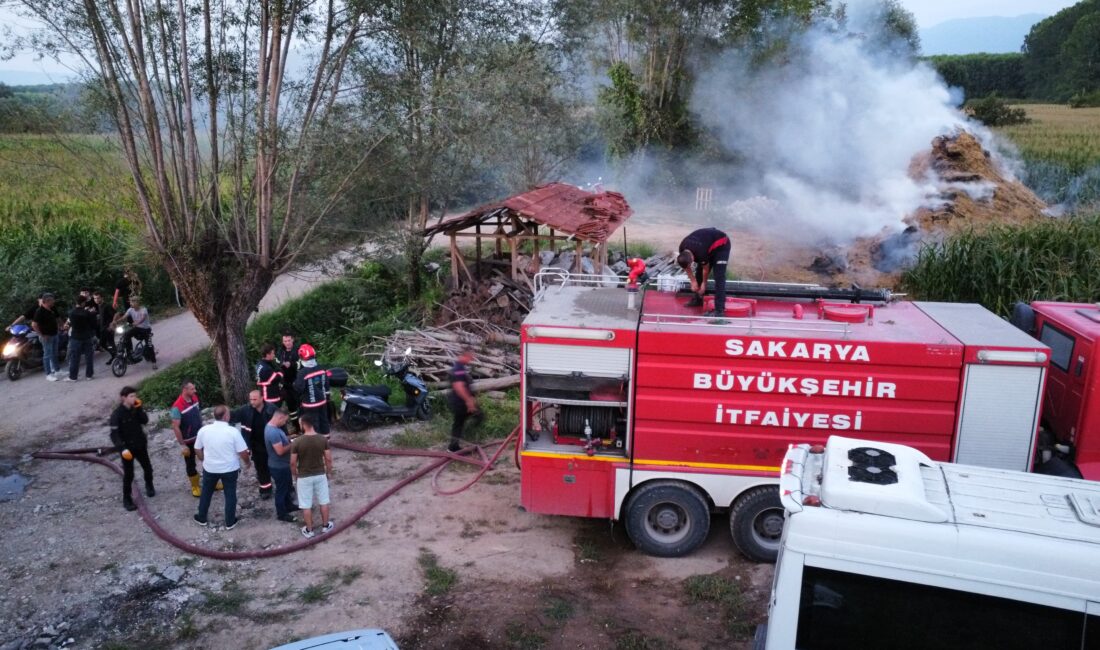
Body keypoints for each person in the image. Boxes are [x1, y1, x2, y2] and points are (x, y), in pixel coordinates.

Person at [193, 404, 251, 529]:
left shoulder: (204, 430)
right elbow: (243, 452)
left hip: (210, 468)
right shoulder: (233, 432)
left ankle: (202, 517)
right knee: (230, 494)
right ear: (225, 416)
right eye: (228, 413)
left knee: (206, 493)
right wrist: (247, 462)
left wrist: (203, 459)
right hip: (230, 469)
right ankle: (230, 521)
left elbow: (197, 448)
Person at [109, 386, 155, 511]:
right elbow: (114, 434)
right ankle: (127, 498)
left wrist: (140, 408)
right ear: (123, 398)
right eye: (131, 396)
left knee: (148, 467)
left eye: (135, 396)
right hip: (127, 449)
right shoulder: (117, 414)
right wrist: (122, 449)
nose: (134, 398)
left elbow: (144, 421)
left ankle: (149, 485)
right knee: (129, 474)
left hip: (140, 444)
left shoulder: (135, 409)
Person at [290, 412, 334, 538]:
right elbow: (328, 459)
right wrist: (328, 472)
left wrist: (295, 476)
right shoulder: (322, 439)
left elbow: (293, 463)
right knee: (324, 501)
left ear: (303, 425)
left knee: (306, 504)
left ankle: (309, 530)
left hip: (303, 477)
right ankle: (326, 526)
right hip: (320, 475)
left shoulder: (297, 442)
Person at [677, 227, 731, 317]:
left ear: (692, 259)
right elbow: (686, 266)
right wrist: (693, 281)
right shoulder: (682, 248)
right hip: (707, 244)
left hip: (722, 245)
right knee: (698, 273)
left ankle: (719, 310)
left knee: (719, 276)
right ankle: (699, 299)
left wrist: (703, 284)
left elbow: (705, 269)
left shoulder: (700, 253)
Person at [231, 390, 275, 499]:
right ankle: (265, 489)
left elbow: (281, 423)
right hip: (256, 444)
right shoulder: (245, 410)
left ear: (262, 398)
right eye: (250, 399)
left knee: (278, 466)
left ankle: (287, 488)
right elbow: (230, 416)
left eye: (254, 399)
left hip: (272, 443)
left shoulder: (271, 409)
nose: (252, 402)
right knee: (261, 467)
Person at [171, 380, 204, 496]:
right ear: (185, 390)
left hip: (200, 437)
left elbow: (198, 413)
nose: (195, 391)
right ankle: (195, 486)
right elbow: (176, 427)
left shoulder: (194, 398)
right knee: (190, 464)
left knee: (208, 459)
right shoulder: (177, 407)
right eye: (192, 389)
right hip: (188, 441)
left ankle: (212, 482)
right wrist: (182, 445)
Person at [264, 408, 296, 523]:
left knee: (287, 486)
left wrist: (290, 438)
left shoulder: (274, 429)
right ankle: (281, 514)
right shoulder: (273, 432)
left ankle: (289, 505)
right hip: (279, 466)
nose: (285, 423)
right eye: (285, 421)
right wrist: (293, 444)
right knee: (281, 490)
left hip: (283, 465)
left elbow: (281, 441)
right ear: (280, 417)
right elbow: (280, 451)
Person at [448, 348, 483, 452]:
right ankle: (460, 442)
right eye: (469, 357)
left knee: (459, 423)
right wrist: (468, 401)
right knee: (478, 416)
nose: (470, 359)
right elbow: (459, 387)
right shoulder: (458, 368)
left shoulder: (460, 367)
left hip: (460, 402)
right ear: (463, 356)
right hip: (461, 402)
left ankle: (453, 446)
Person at [293, 344, 331, 436]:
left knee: (314, 425)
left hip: (310, 405)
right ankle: (326, 443)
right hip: (322, 401)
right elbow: (326, 385)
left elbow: (299, 389)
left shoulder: (302, 372)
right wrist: (327, 398)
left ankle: (317, 447)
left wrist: (294, 383)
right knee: (324, 422)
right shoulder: (322, 368)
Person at [113, 295, 156, 369]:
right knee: (126, 335)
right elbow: (124, 317)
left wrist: (137, 322)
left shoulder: (143, 309)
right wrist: (116, 321)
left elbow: (143, 318)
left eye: (132, 302)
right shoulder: (130, 310)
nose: (131, 303)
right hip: (137, 328)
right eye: (130, 302)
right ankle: (130, 352)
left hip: (146, 330)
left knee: (149, 345)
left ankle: (154, 362)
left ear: (137, 302)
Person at [65, 295, 97, 381]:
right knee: (89, 357)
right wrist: (92, 314)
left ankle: (73, 377)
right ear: (83, 303)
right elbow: (93, 325)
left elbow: (69, 324)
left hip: (75, 337)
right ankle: (89, 375)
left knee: (75, 357)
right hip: (87, 336)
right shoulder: (87, 313)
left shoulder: (71, 313)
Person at [32, 293, 61, 381]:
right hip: (46, 337)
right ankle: (48, 374)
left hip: (54, 334)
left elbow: (56, 319)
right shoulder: (39, 311)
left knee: (54, 353)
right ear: (47, 301)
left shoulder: (51, 310)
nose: (54, 302)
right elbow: (34, 325)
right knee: (47, 355)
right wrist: (41, 335)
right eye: (52, 300)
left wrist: (60, 327)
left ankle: (57, 370)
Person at [276, 332, 300, 414]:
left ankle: (301, 418)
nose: (287, 343)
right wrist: (281, 363)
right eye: (285, 341)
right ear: (283, 342)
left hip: (295, 380)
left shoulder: (298, 350)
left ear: (292, 340)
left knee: (298, 401)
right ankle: (294, 422)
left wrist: (292, 364)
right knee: (289, 403)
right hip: (284, 382)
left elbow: (302, 363)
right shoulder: (280, 351)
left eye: (289, 340)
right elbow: (277, 362)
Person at [92, 290, 116, 360]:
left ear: (102, 298)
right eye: (95, 298)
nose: (96, 300)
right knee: (104, 344)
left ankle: (117, 356)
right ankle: (115, 355)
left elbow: (115, 314)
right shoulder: (99, 306)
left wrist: (112, 325)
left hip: (108, 328)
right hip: (103, 329)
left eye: (98, 298)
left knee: (109, 343)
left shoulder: (107, 306)